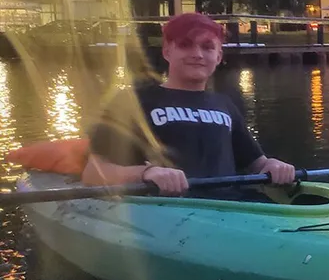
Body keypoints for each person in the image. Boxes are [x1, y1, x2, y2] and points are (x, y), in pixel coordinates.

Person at [81, 12, 296, 196]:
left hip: (230, 211)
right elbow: (93, 172)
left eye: (207, 47)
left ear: (218, 56)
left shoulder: (225, 104)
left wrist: (274, 165)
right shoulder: (132, 101)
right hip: (163, 211)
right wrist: (146, 173)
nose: (197, 54)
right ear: (167, 51)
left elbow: (257, 164)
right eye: (185, 45)